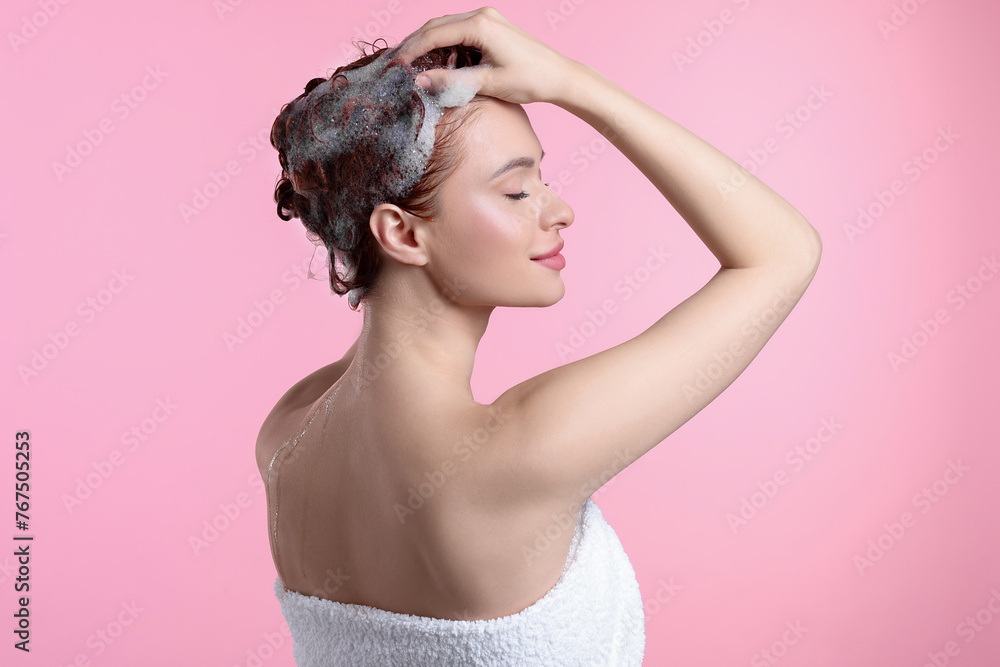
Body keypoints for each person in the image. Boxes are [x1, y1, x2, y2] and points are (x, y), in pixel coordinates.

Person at [256, 7, 822, 666]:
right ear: (404, 234)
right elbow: (782, 253)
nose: (560, 210)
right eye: (518, 189)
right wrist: (571, 82)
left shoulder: (285, 436)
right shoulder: (522, 450)